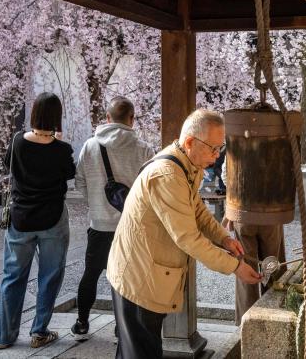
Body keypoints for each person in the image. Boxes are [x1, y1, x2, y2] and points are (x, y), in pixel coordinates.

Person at [106, 109, 261, 358]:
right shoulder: (167, 175)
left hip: (149, 273)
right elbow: (188, 238)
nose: (216, 157)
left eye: (220, 149)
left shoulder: (187, 164)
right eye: (213, 149)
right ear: (190, 142)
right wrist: (235, 267)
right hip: (137, 277)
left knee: (134, 349)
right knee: (141, 351)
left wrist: (224, 238)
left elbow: (196, 209)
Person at [0, 92, 75, 350]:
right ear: (56, 117)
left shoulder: (18, 141)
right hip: (52, 219)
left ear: (33, 113)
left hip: (21, 219)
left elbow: (8, 165)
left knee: (13, 277)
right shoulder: (62, 149)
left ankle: (4, 337)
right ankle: (39, 331)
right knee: (50, 276)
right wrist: (56, 142)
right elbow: (70, 173)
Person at [71, 97, 153, 340]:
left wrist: (96, 203)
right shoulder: (143, 148)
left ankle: (83, 322)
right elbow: (150, 187)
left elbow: (79, 181)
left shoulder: (90, 146)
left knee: (91, 274)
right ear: (132, 119)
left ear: (107, 118)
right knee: (127, 278)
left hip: (99, 224)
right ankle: (122, 327)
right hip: (131, 226)